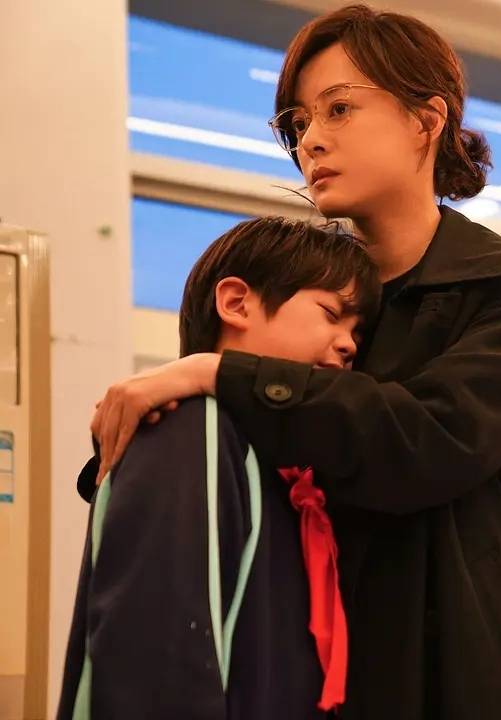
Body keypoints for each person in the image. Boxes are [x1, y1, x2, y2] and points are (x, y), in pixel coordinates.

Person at [86, 4, 501, 719]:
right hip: (313, 659)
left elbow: (426, 441)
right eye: (297, 123)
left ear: (426, 120)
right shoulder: (302, 296)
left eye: (339, 109)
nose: (310, 140)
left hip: (472, 661)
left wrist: (213, 373)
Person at [60, 217, 380, 720]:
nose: (349, 345)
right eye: (330, 314)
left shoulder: (277, 462)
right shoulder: (192, 426)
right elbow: (158, 660)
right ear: (235, 303)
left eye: (356, 331)